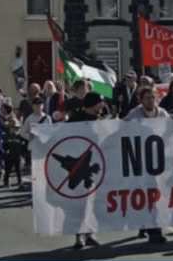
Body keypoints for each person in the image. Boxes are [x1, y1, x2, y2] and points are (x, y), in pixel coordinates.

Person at [125, 87, 172, 244]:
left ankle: (148, 225)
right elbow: (123, 127)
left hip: (158, 161)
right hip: (140, 161)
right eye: (147, 98)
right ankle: (153, 230)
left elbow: (170, 127)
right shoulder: (134, 114)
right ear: (141, 100)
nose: (151, 100)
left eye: (153, 97)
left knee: (155, 193)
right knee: (148, 193)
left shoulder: (162, 113)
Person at [67, 92, 104, 249]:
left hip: (95, 165)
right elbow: (63, 136)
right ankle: (79, 235)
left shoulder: (101, 120)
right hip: (79, 165)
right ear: (93, 104)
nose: (102, 105)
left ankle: (89, 233)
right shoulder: (76, 119)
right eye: (100, 102)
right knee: (80, 202)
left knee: (93, 202)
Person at [0, 104, 24, 188]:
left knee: (18, 168)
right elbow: (5, 143)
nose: (14, 128)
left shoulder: (18, 135)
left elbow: (22, 143)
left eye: (15, 128)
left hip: (16, 152)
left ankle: (20, 181)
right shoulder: (7, 135)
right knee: (8, 167)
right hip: (9, 151)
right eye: (13, 127)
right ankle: (6, 181)